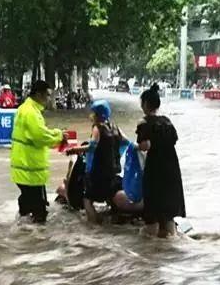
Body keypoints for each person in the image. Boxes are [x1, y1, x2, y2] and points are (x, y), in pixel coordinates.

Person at [64, 99, 140, 223]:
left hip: (97, 173)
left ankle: (93, 226)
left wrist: (74, 149)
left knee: (87, 199)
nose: (91, 116)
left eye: (93, 113)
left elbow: (92, 146)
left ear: (97, 115)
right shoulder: (115, 127)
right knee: (108, 194)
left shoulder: (97, 128)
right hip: (113, 173)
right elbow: (127, 142)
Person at [10, 80, 67, 224]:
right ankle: (35, 236)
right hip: (30, 171)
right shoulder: (31, 113)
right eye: (47, 95)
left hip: (23, 169)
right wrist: (59, 137)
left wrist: (57, 133)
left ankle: (21, 231)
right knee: (39, 211)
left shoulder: (26, 108)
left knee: (26, 205)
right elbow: (40, 137)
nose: (49, 99)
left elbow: (39, 132)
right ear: (38, 94)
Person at [136, 84, 186, 237]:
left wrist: (135, 147)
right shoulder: (167, 122)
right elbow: (173, 140)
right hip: (172, 170)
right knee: (168, 218)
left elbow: (145, 146)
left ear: (145, 104)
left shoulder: (144, 122)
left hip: (155, 170)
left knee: (152, 221)